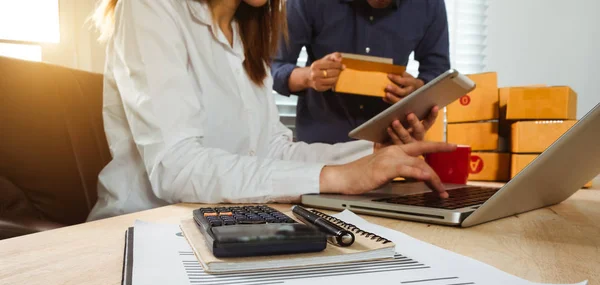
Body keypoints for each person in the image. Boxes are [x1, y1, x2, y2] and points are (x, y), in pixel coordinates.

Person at [88, 0, 454, 221]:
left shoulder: (247, 31)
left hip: (222, 222)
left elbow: (273, 150)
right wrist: (338, 177)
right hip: (142, 226)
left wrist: (373, 154)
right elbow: (177, 167)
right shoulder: (150, 8)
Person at [271, 0, 450, 144]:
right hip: (318, 150)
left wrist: (418, 90)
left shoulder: (429, 5)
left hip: (387, 147)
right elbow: (272, 67)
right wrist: (308, 77)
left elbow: (439, 73)